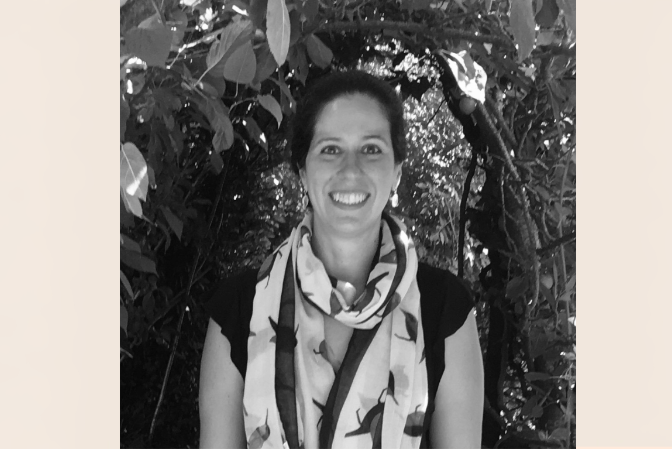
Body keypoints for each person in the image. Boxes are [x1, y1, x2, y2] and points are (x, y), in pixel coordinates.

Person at [199, 70, 484, 449]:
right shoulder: (238, 309)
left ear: (397, 172)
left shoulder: (444, 310)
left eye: (371, 149)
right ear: (302, 171)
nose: (351, 171)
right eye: (330, 149)